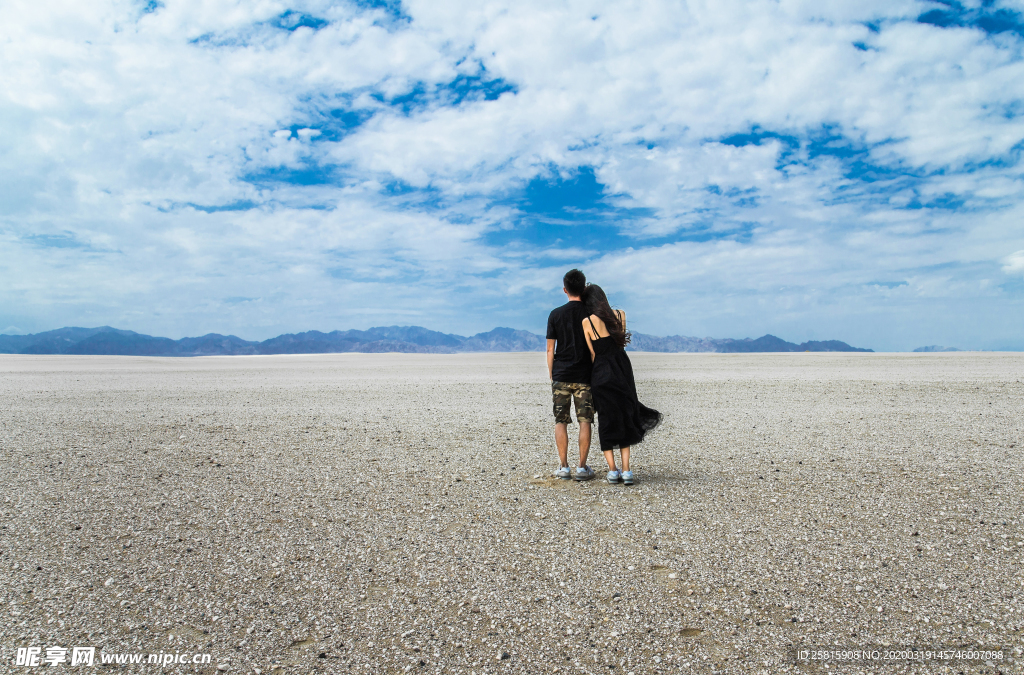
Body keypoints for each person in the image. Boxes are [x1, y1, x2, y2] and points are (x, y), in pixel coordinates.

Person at [581, 284, 662, 485]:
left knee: (606, 421)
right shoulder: (620, 314)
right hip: (622, 370)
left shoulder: (587, 322)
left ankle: (613, 470)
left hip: (601, 373)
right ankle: (627, 471)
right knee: (625, 416)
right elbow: (619, 344)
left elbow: (592, 354)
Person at [546, 269, 596, 480]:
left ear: (565, 289)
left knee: (561, 421)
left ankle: (564, 466)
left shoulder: (555, 314)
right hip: (584, 376)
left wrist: (552, 375)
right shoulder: (590, 313)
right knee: (585, 420)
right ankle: (582, 467)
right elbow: (595, 346)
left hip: (561, 375)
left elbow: (550, 349)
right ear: (583, 288)